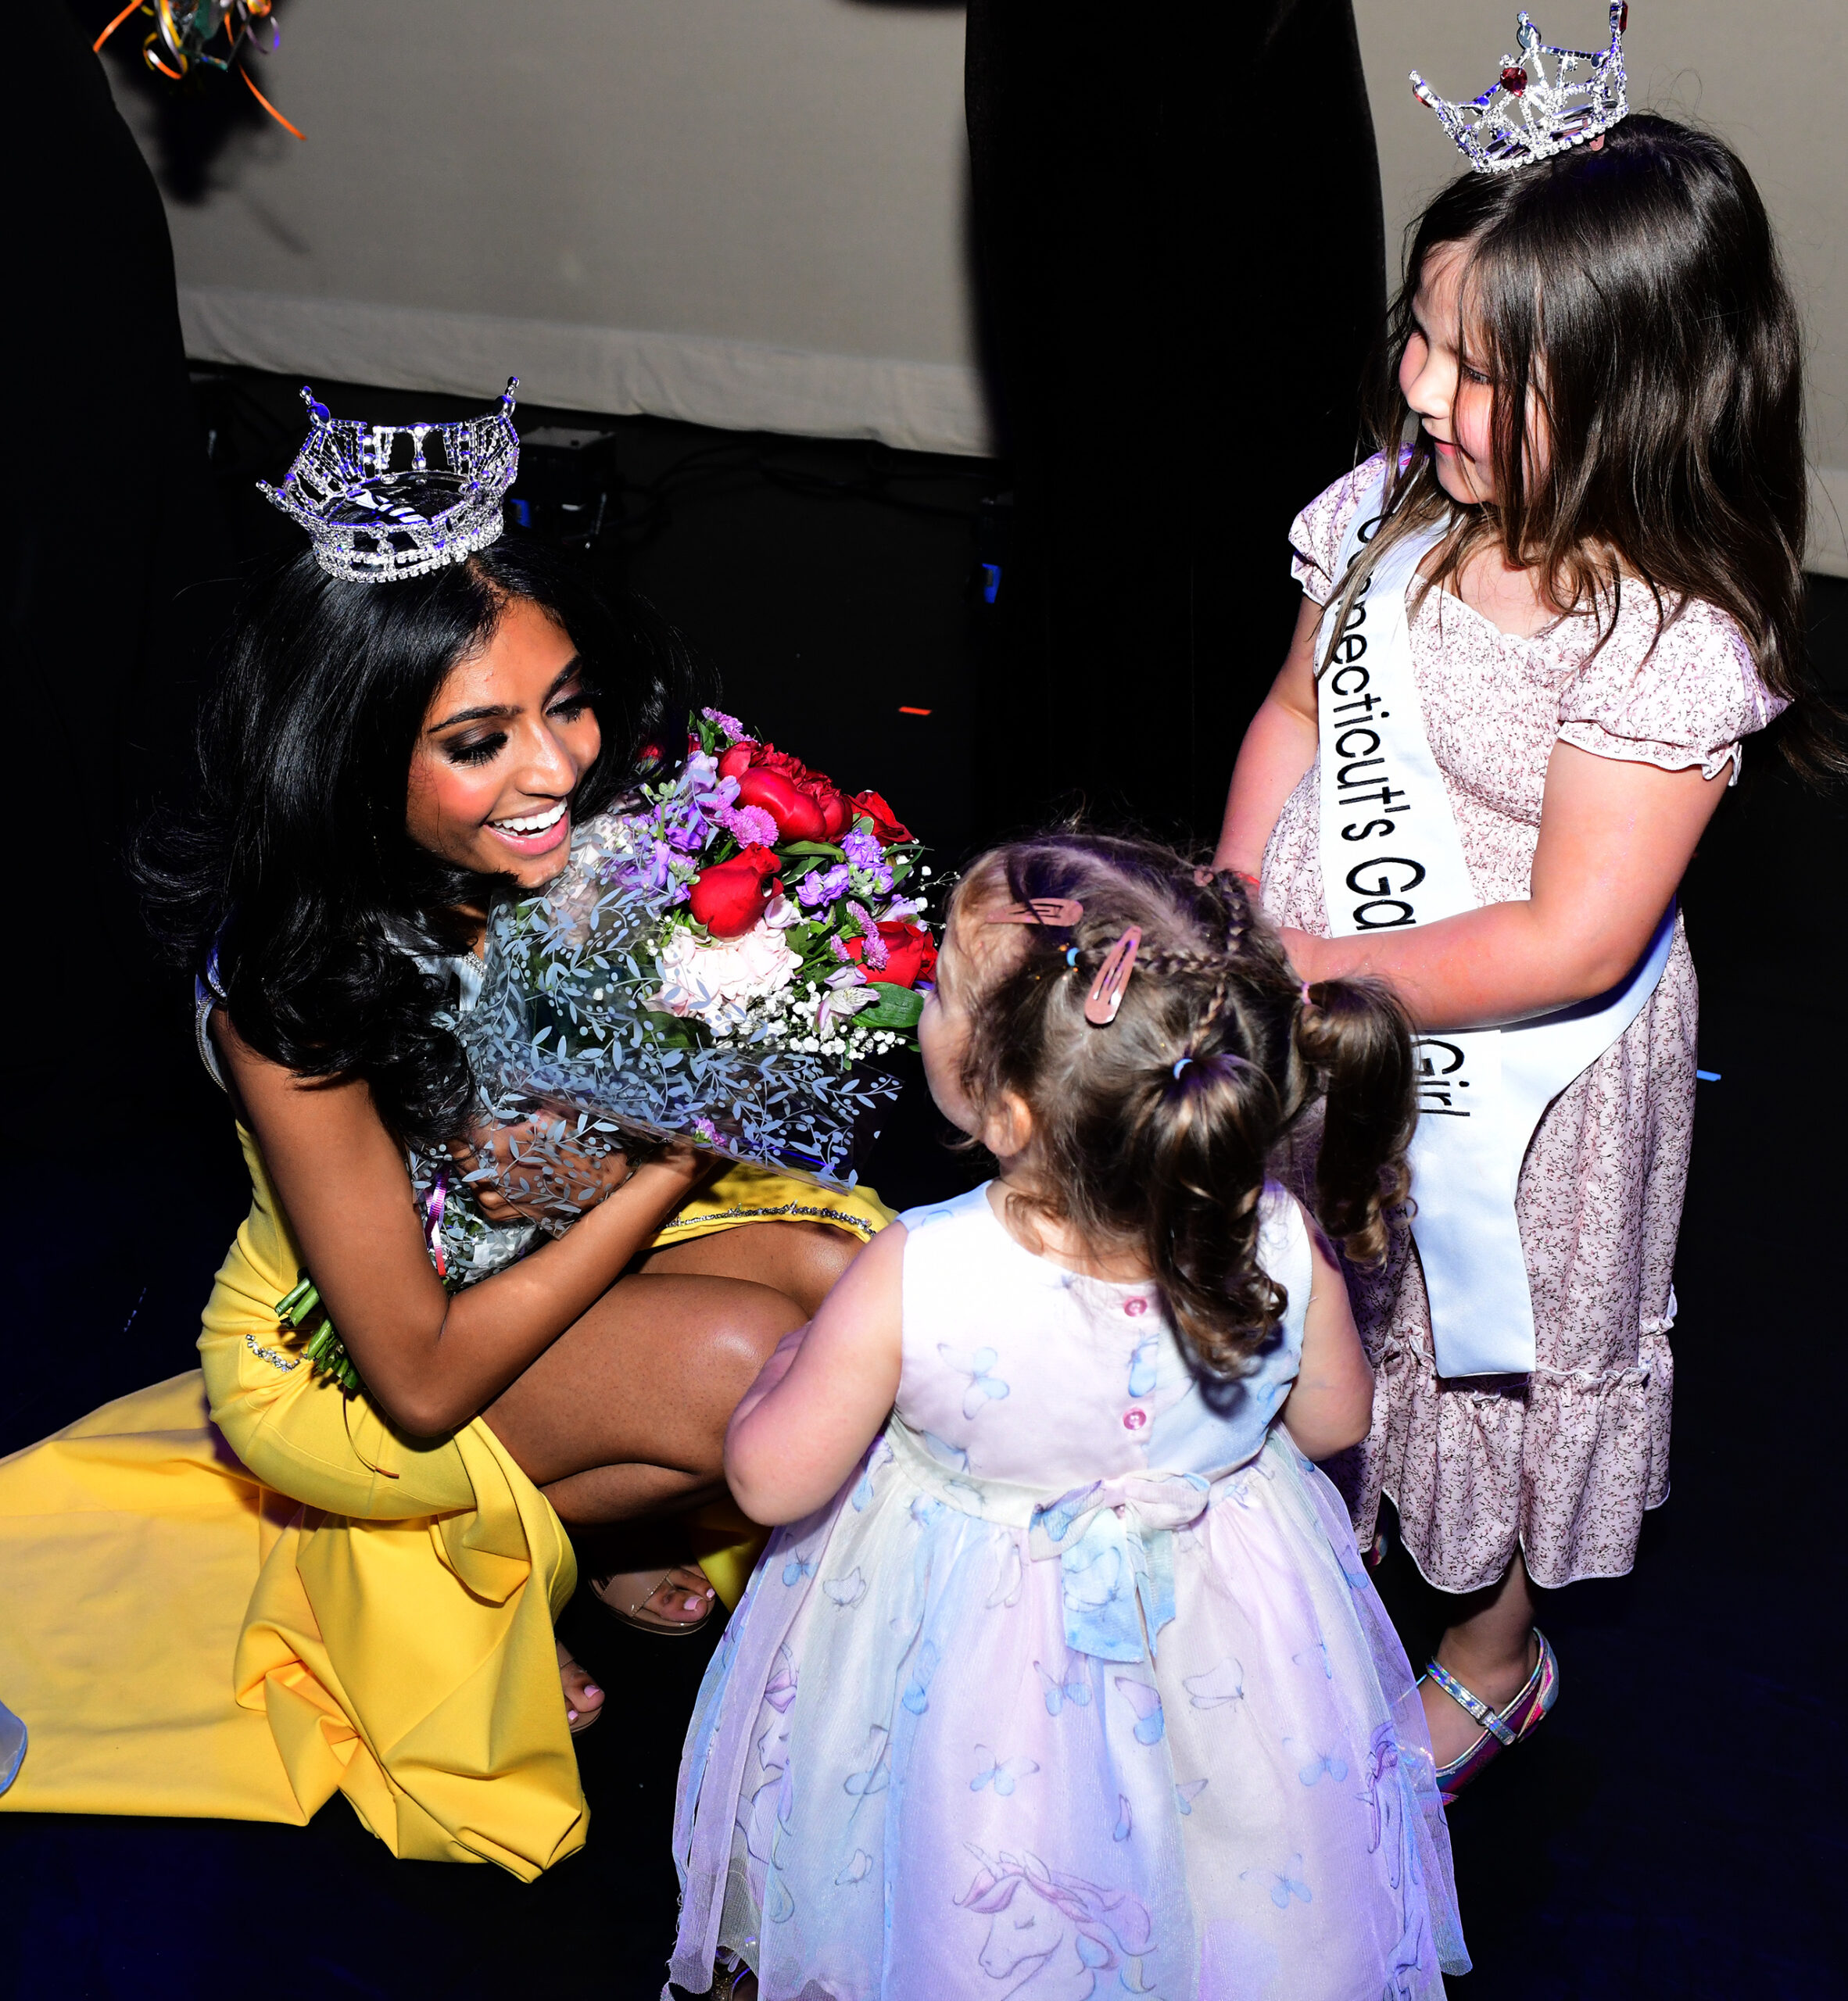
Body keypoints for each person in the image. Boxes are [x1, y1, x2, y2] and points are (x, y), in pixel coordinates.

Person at [0, 464, 892, 1874]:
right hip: (355, 1357)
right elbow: (416, 1379)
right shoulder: (288, 996)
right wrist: (666, 1170)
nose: (556, 770)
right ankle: (450, 1575)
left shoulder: (582, 840)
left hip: (555, 1221)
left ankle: (587, 1537)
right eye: (479, 740)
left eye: (568, 704)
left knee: (853, 1282)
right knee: (754, 1370)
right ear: (357, 755)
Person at [1215, 95, 1821, 1798]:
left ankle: (1492, 1653)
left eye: (1481, 371)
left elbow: (1570, 937)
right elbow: (1294, 708)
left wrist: (1302, 965)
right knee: (1326, 1291)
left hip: (1524, 1083)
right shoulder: (1386, 512)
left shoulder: (1670, 636)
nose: (1421, 391)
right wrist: (1239, 895)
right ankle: (1309, 1550)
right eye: (1420, 336)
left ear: (1642, 391)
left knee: (1481, 1346)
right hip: (1323, 994)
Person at [668, 833, 1469, 2000]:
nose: (923, 1001)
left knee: (974, 1870)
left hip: (968, 1660)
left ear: (1007, 1108)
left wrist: (784, 1369)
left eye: (940, 989)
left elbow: (770, 1482)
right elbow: (1336, 1424)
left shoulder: (921, 1266)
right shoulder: (1280, 1237)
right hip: (1224, 1648)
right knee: (1231, 1867)